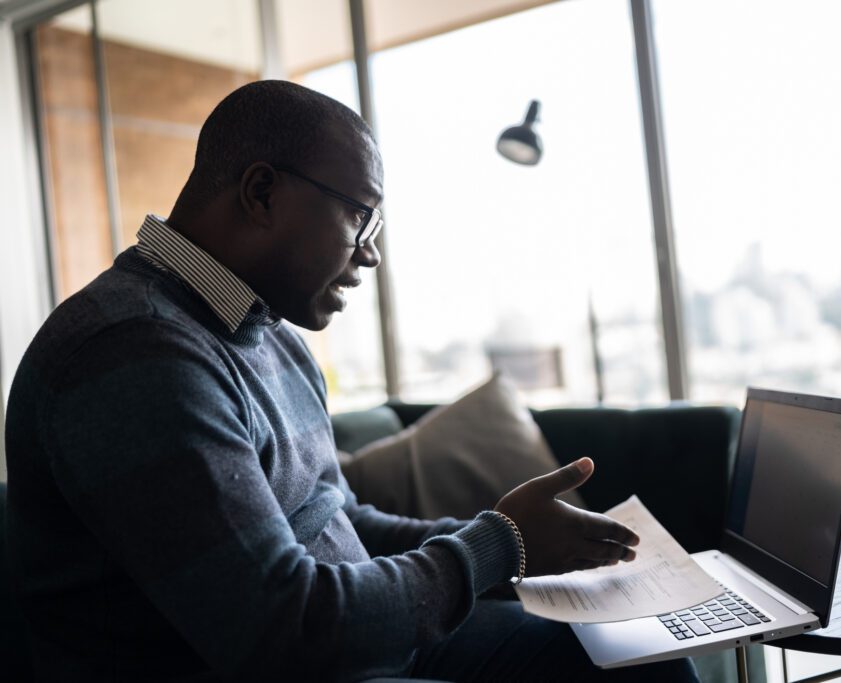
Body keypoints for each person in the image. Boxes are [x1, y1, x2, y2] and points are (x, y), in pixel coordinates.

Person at [4, 80, 700, 682]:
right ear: (262, 192)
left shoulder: (267, 333)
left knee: (635, 651)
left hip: (353, 654)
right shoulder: (131, 355)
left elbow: (338, 522)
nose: (370, 254)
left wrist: (527, 544)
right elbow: (284, 630)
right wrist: (497, 546)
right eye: (360, 215)